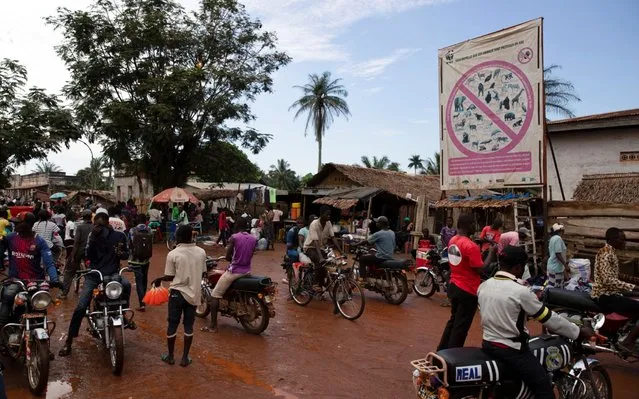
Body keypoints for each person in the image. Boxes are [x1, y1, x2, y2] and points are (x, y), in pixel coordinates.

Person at [478, 245, 592, 399]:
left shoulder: (484, 286)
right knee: (544, 389)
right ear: (518, 267)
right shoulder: (521, 291)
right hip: (512, 350)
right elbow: (549, 318)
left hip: (488, 344)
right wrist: (578, 332)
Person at [58, 211, 133, 357]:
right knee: (81, 306)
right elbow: (88, 256)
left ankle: (122, 313)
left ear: (107, 223)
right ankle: (69, 341)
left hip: (113, 274)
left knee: (127, 285)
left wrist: (120, 253)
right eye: (96, 225)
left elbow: (126, 254)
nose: (99, 227)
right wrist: (93, 240)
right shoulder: (92, 236)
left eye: (100, 224)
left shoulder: (119, 236)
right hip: (94, 275)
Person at [437, 213, 497, 350]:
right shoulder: (471, 246)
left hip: (454, 285)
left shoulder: (453, 240)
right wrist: (492, 253)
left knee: (453, 322)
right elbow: (481, 269)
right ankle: (453, 357)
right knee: (461, 327)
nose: (475, 228)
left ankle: (441, 351)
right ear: (469, 225)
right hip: (467, 290)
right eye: (474, 224)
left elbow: (466, 261)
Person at [152, 225, 206, 367]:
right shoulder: (201, 252)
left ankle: (170, 357)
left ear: (179, 237)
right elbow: (204, 273)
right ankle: (185, 358)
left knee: (172, 324)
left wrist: (159, 279)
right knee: (189, 326)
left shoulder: (173, 254)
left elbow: (170, 276)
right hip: (193, 294)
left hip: (176, 294)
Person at [0, 213, 60, 323]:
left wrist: (55, 279)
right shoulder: (10, 238)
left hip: (36, 281)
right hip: (16, 280)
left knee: (40, 306)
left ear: (28, 225)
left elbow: (49, 263)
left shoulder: (40, 241)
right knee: (7, 297)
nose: (15, 225)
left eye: (18, 223)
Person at [203, 217, 257, 333]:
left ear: (236, 226)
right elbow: (251, 254)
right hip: (247, 270)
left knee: (215, 295)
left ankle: (213, 326)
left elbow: (228, 256)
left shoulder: (234, 237)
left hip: (234, 271)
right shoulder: (253, 239)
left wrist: (232, 258)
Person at [591, 228, 639, 354]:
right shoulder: (605, 254)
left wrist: (635, 280)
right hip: (605, 296)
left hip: (611, 293)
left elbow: (615, 275)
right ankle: (628, 341)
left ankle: (627, 329)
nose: (624, 242)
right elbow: (608, 280)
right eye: (622, 239)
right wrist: (633, 287)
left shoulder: (611, 252)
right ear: (611, 240)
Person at [303, 207, 343, 288]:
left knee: (330, 262)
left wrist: (341, 252)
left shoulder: (328, 223)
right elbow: (316, 242)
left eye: (329, 215)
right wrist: (321, 257)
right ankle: (316, 284)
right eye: (327, 214)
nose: (329, 216)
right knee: (320, 261)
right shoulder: (314, 224)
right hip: (310, 247)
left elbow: (333, 238)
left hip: (321, 248)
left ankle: (322, 283)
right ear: (321, 214)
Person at [59, 210, 93, 299]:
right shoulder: (94, 227)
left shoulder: (80, 227)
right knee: (93, 271)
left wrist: (72, 256)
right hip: (90, 253)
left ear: (83, 217)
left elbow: (76, 243)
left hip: (79, 252)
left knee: (69, 272)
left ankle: (64, 293)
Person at [355, 216, 396, 281]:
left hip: (381, 257)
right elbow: (392, 245)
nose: (376, 224)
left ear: (381, 224)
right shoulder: (392, 232)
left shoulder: (378, 234)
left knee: (362, 258)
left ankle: (363, 279)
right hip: (390, 255)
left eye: (377, 222)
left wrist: (356, 244)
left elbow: (367, 241)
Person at [129, 214, 153, 311]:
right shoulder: (150, 230)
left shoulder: (132, 230)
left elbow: (129, 243)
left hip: (135, 260)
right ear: (146, 221)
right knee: (144, 280)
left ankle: (142, 304)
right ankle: (144, 299)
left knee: (138, 281)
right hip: (146, 259)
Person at [547, 223, 568, 288]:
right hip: (556, 268)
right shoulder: (558, 238)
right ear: (560, 231)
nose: (564, 232)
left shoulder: (552, 238)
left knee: (552, 286)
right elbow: (558, 254)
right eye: (563, 230)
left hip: (552, 266)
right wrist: (565, 265)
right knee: (556, 288)